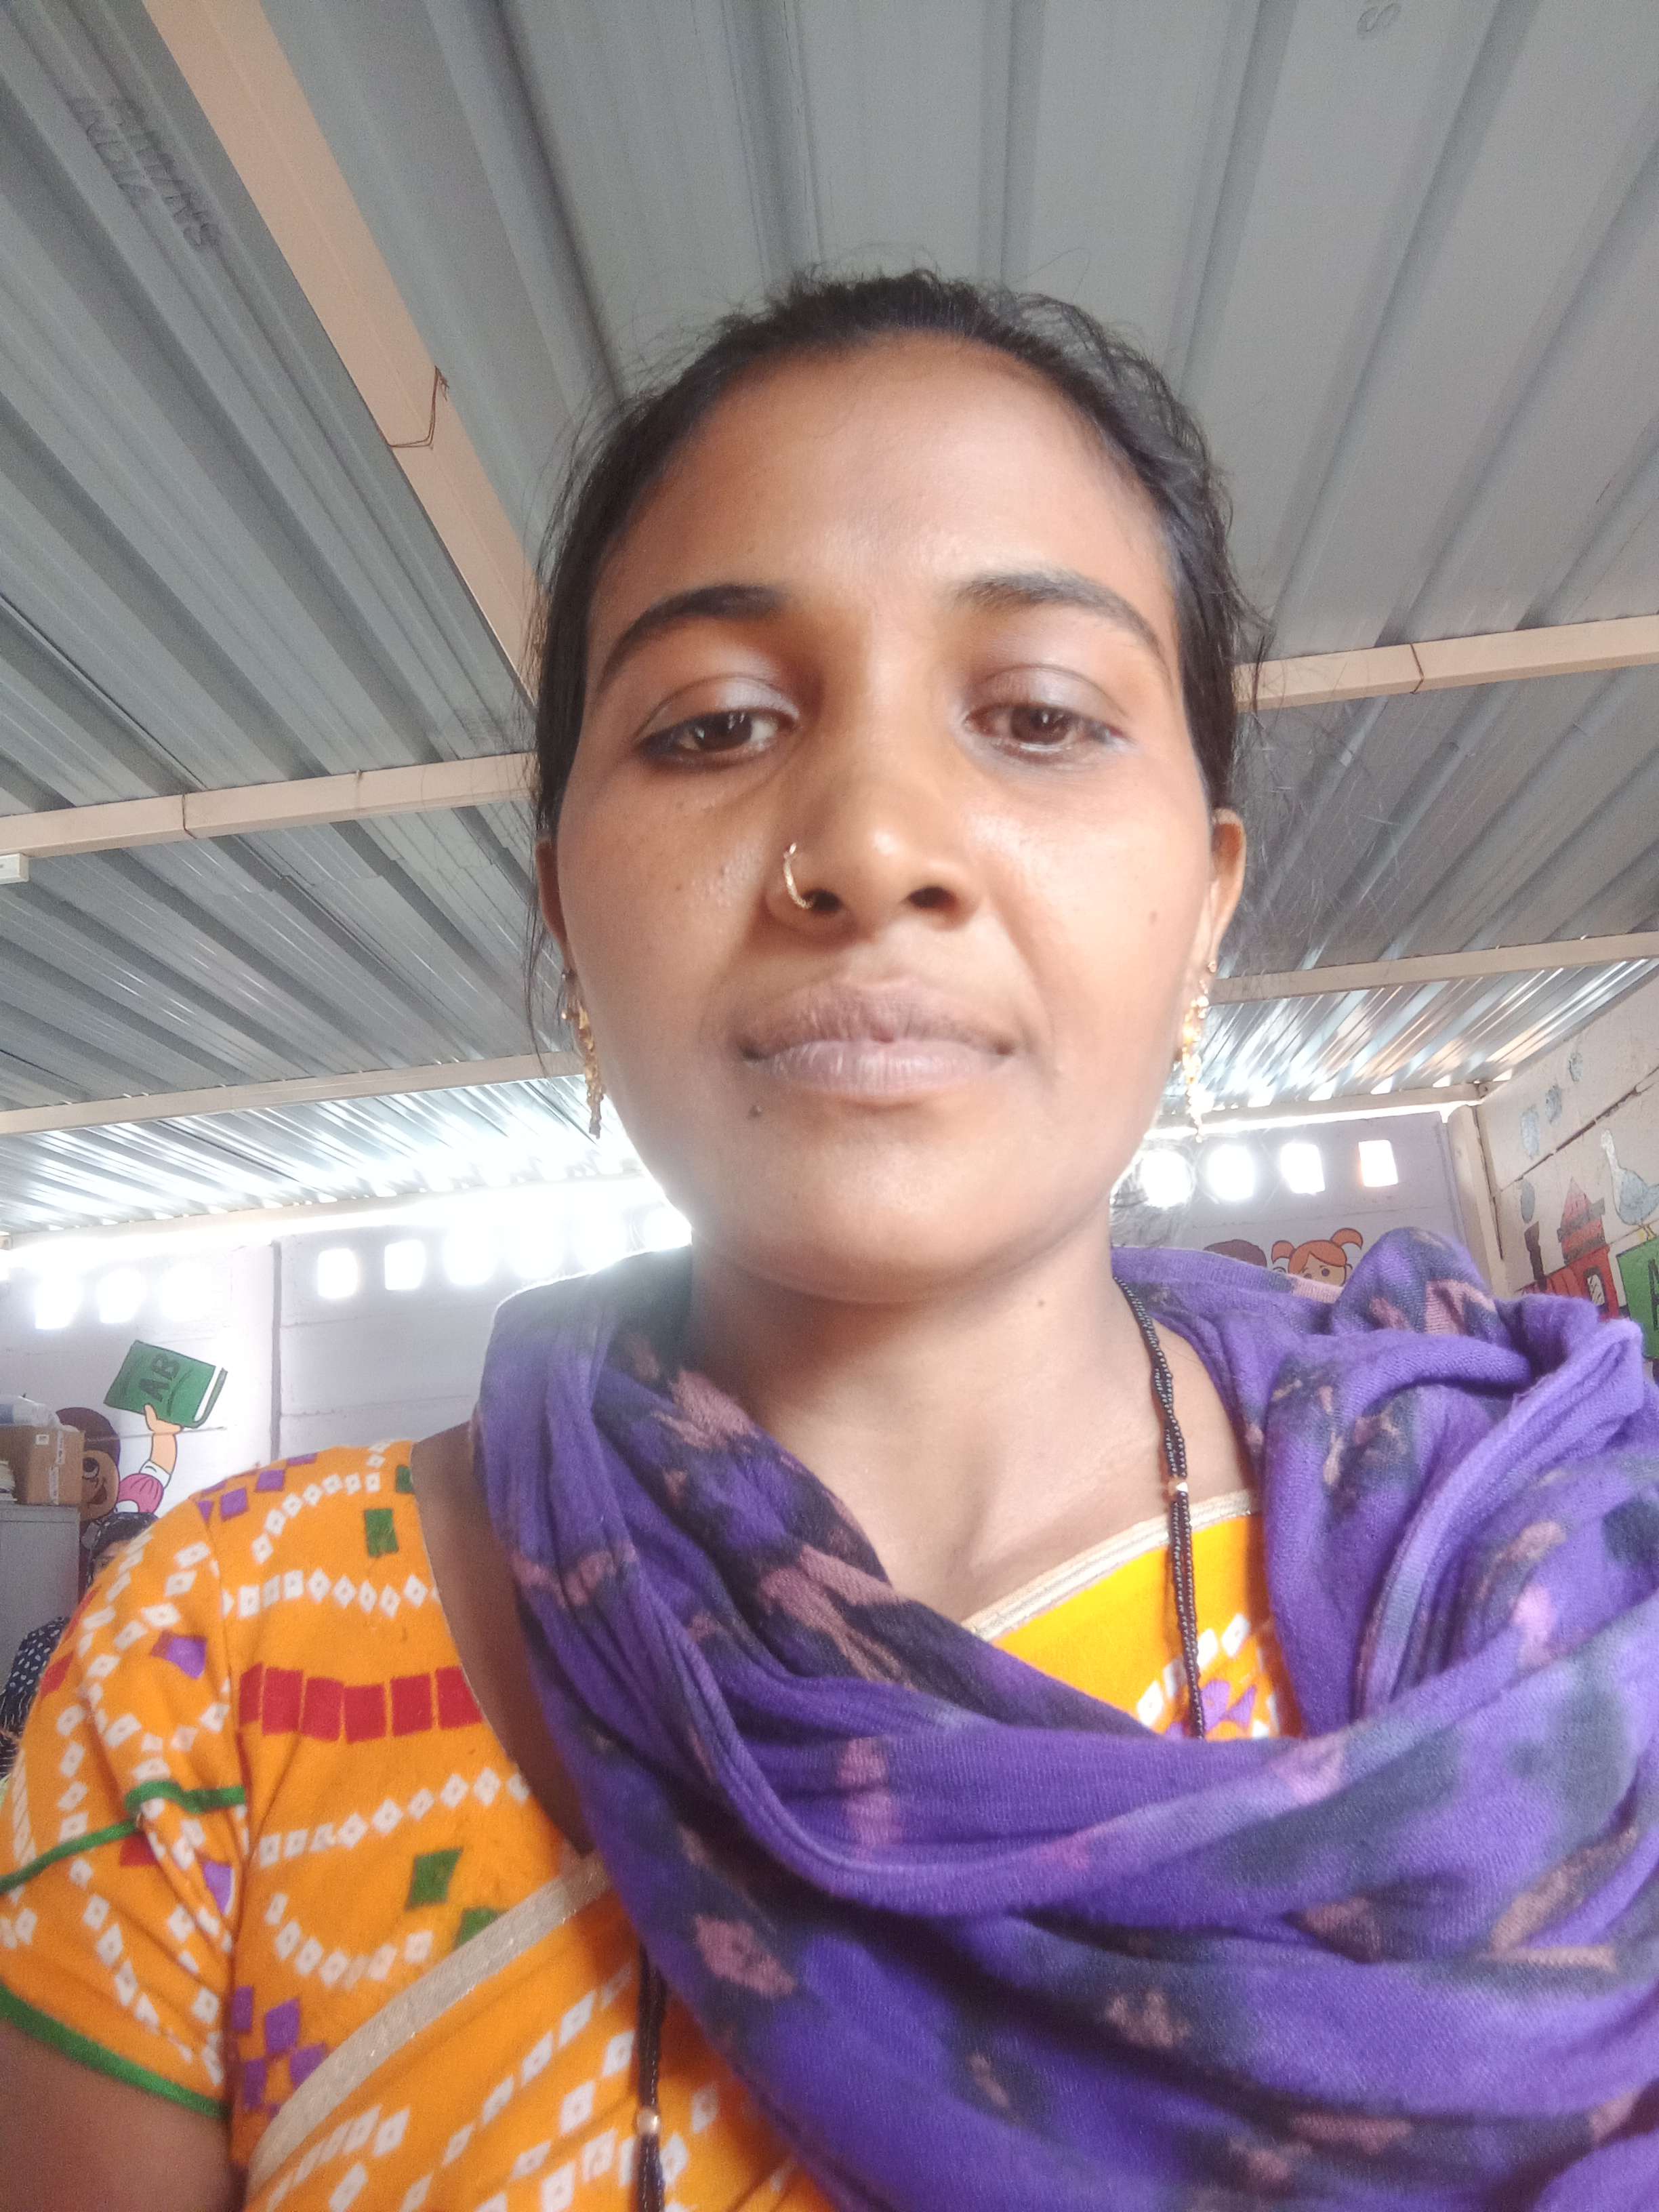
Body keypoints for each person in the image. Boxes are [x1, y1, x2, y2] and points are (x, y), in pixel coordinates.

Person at [1, 271, 1657, 2212]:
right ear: (566, 914)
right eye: (714, 726)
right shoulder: (217, 1665)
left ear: (1207, 904)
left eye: (1037, 716)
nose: (872, 844)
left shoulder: (1547, 1599)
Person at [0, 1515, 157, 1782]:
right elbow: (11, 1726)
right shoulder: (50, 1641)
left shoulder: (179, 1650)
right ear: (92, 1572)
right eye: (106, 1564)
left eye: (134, 1561)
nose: (116, 1575)